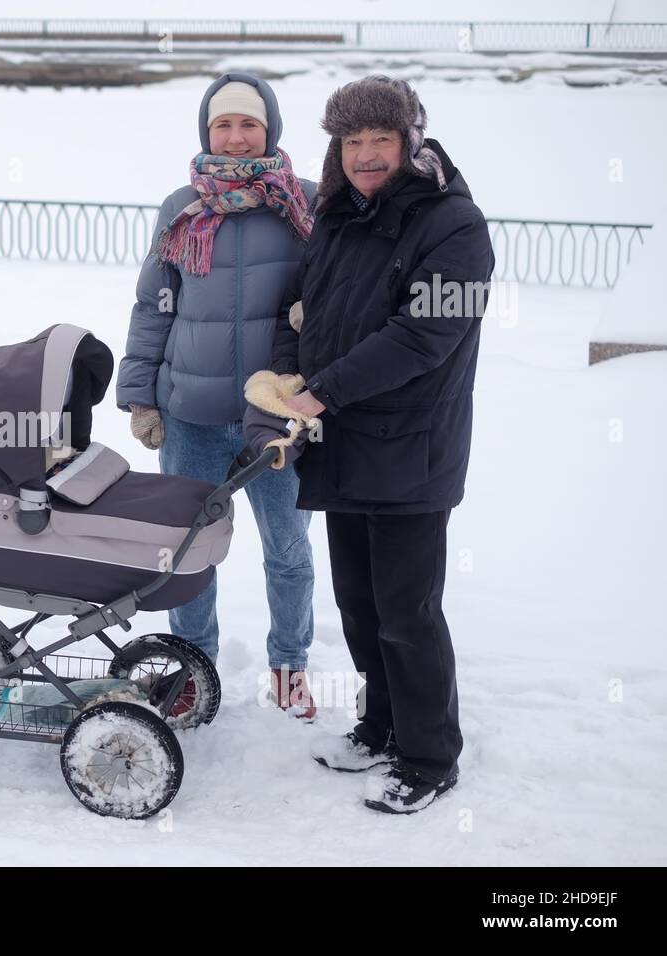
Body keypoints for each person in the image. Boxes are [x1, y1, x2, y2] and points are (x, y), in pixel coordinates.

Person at [266, 75, 495, 813]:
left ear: (410, 141)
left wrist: (322, 388)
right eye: (352, 142)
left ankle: (430, 756)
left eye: (380, 140)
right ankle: (381, 723)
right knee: (360, 606)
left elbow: (426, 334)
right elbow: (296, 306)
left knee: (408, 613)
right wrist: (282, 371)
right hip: (342, 441)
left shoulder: (456, 225)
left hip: (411, 451)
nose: (366, 155)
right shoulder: (336, 215)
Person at [117, 72, 318, 718]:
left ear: (271, 130)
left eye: (248, 125)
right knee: (185, 555)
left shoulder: (305, 205)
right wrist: (141, 397)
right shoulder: (181, 206)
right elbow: (153, 307)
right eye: (223, 125)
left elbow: (337, 299)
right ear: (207, 132)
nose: (235, 138)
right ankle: (192, 667)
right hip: (192, 419)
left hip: (277, 424)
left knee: (288, 550)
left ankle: (289, 666)